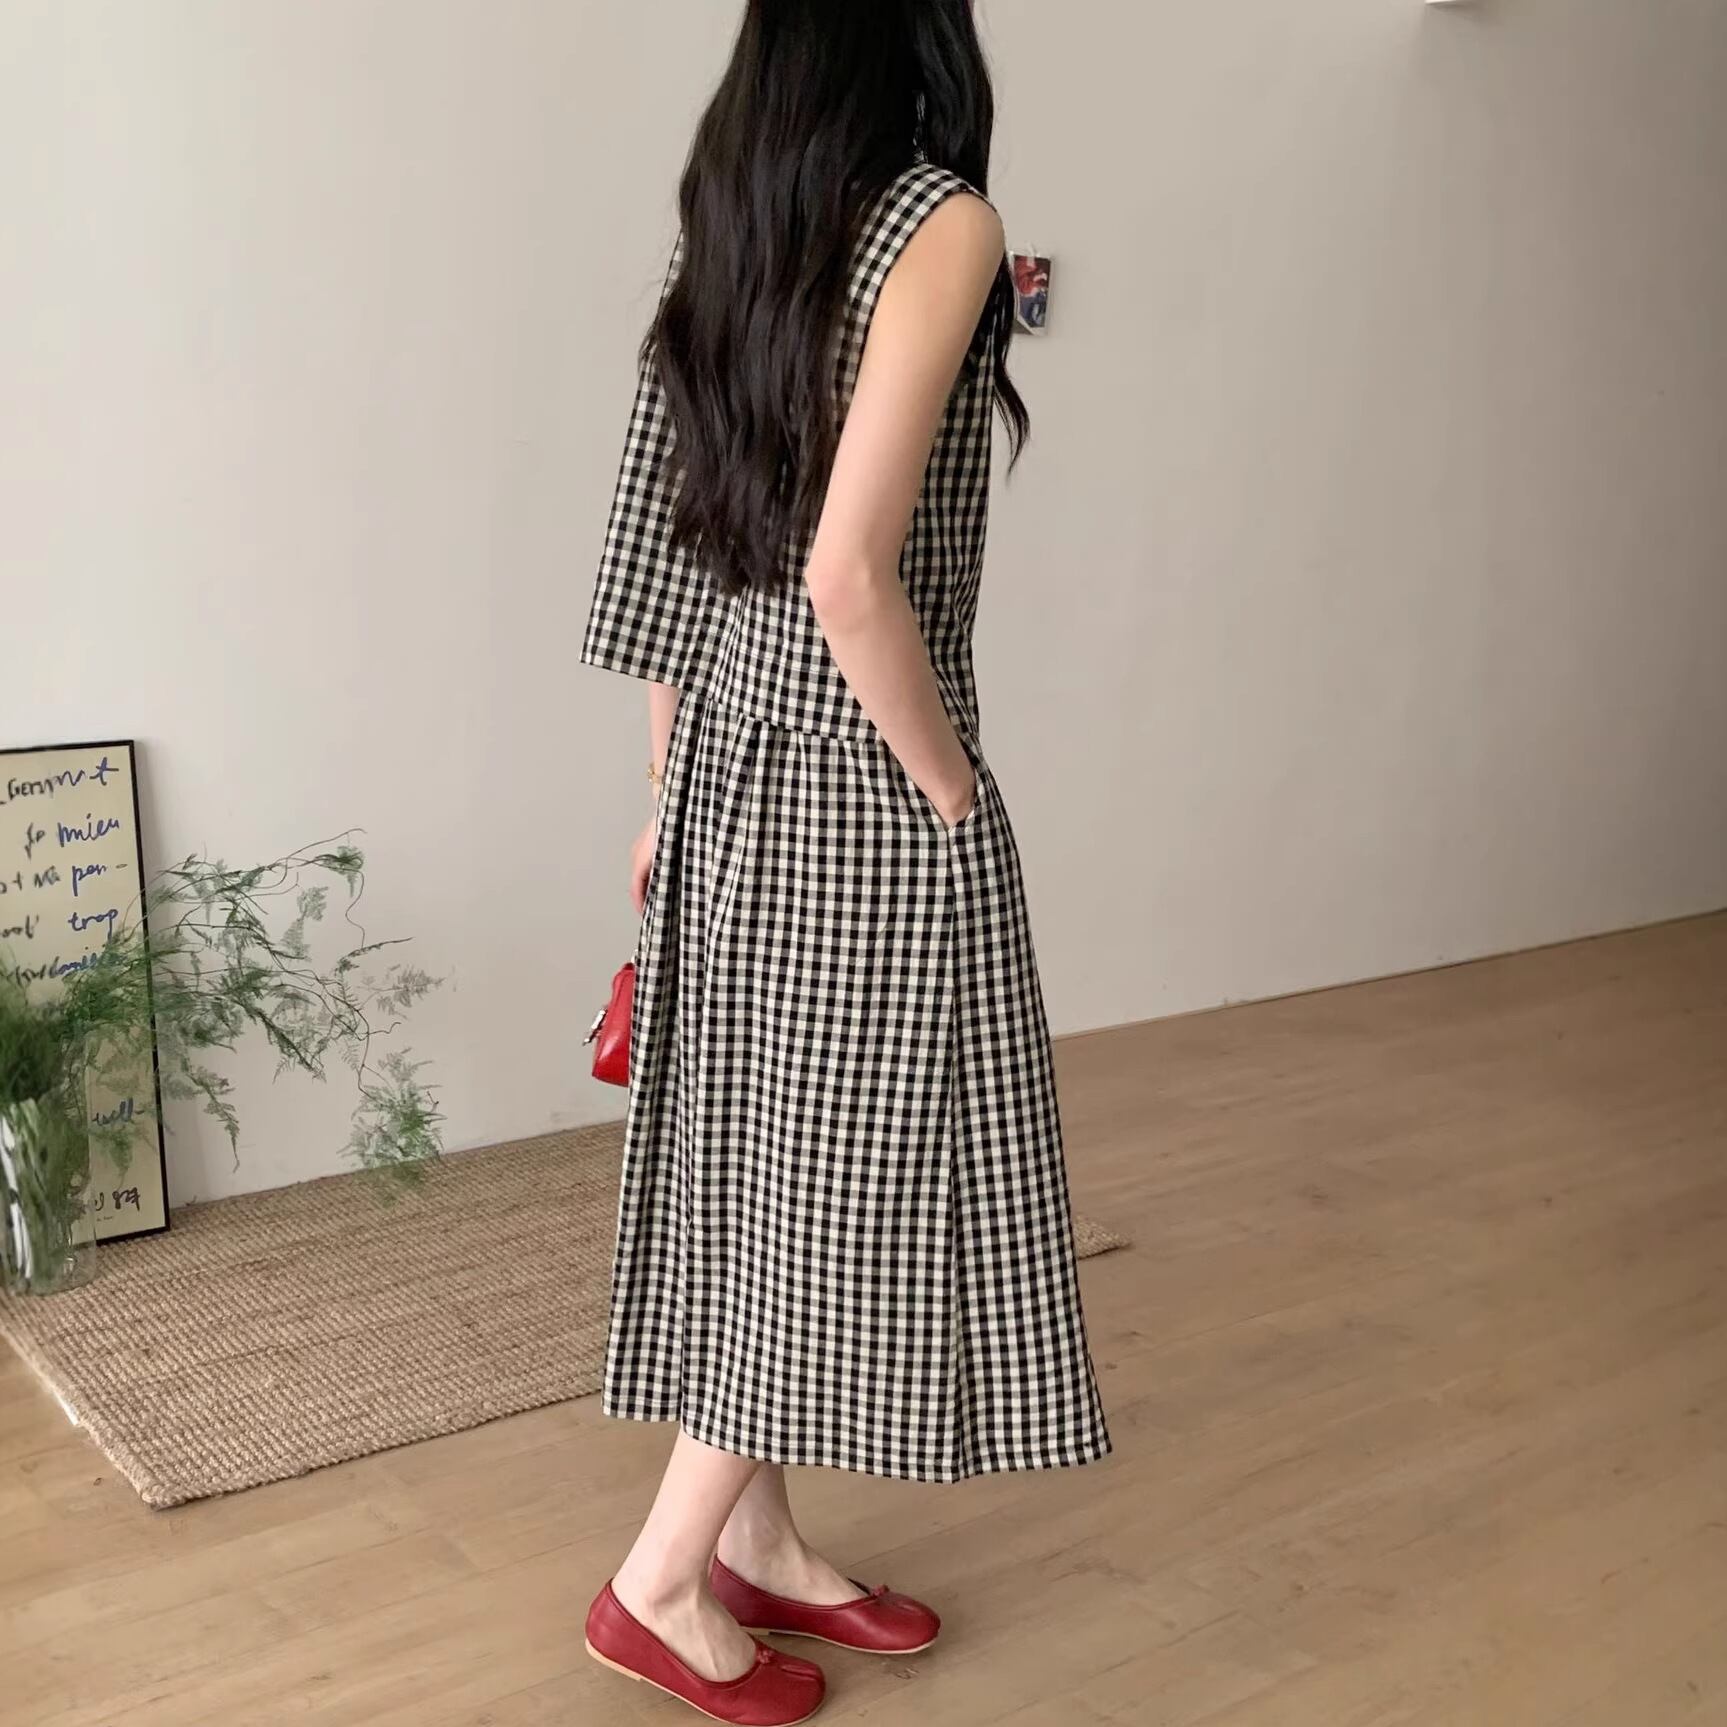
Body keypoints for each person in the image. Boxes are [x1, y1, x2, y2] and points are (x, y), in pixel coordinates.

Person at [578, 3, 1110, 1720]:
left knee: (763, 1169)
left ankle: (762, 1544)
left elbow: (672, 533)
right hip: (858, 782)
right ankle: (661, 1582)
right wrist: (951, 794)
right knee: (851, 1189)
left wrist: (665, 791)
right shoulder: (942, 224)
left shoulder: (742, 214)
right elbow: (847, 575)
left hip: (727, 760)